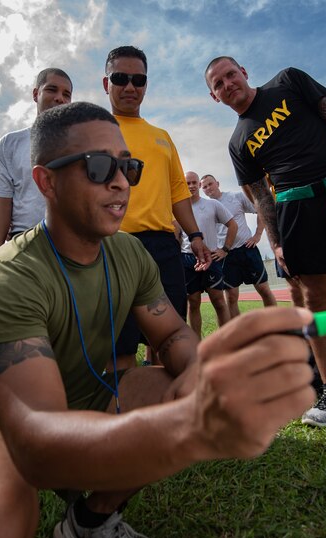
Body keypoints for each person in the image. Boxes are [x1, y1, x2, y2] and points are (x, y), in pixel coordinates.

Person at [0, 102, 314, 538]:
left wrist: (206, 372)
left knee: (182, 384)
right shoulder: (7, 277)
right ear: (46, 181)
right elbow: (39, 445)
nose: (121, 180)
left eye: (128, 166)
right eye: (100, 165)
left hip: (89, 397)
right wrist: (191, 424)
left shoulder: (129, 253)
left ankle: (91, 521)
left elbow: (171, 336)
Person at [205, 57, 326, 428]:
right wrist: (277, 242)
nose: (227, 84)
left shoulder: (288, 81)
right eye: (218, 83)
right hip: (296, 210)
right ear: (215, 97)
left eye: (231, 74)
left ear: (245, 73)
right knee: (315, 301)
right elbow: (261, 195)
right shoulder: (238, 142)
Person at [103, 45, 211, 370]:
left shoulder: (162, 136)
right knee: (118, 344)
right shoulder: (94, 130)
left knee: (168, 339)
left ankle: (166, 411)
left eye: (139, 80)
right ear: (106, 83)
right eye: (120, 78)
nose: (130, 87)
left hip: (163, 247)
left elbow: (178, 190)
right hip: (111, 246)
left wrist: (195, 234)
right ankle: (121, 411)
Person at [0, 68, 73, 253]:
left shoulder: (81, 143)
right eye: (52, 90)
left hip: (71, 240)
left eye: (66, 94)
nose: (60, 98)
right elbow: (2, 202)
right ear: (36, 94)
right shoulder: (10, 143)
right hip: (23, 241)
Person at [200, 173, 277, 316]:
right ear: (202, 190)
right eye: (204, 187)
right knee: (231, 297)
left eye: (210, 184)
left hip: (247, 249)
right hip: (225, 255)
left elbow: (260, 210)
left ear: (217, 183)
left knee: (264, 290)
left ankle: (274, 325)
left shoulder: (236, 197)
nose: (208, 188)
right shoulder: (205, 207)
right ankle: (241, 334)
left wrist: (257, 235)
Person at [176, 171, 235, 338]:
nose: (191, 186)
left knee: (219, 301)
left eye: (194, 182)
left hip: (211, 259)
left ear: (199, 185)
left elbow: (232, 225)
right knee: (193, 303)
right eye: (187, 183)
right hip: (188, 260)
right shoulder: (177, 209)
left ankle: (226, 343)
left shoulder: (212, 205)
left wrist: (225, 249)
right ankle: (196, 345)